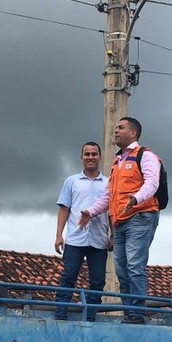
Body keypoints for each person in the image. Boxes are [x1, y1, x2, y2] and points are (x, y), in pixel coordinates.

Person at [78, 117, 160, 324]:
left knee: (134, 266)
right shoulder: (118, 162)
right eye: (115, 129)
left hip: (140, 216)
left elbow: (152, 182)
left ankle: (137, 314)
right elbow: (109, 196)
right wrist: (91, 212)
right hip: (120, 221)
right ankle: (129, 313)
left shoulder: (146, 155)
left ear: (133, 133)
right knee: (122, 269)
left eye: (120, 128)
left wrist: (136, 198)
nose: (116, 132)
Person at [54, 142, 109, 321]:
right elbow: (64, 209)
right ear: (81, 157)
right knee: (69, 276)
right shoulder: (71, 181)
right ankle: (61, 313)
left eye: (94, 154)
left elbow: (113, 212)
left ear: (100, 157)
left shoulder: (108, 183)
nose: (91, 157)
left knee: (98, 281)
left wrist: (113, 235)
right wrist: (58, 235)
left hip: (99, 239)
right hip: (75, 239)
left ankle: (91, 316)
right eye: (87, 154)